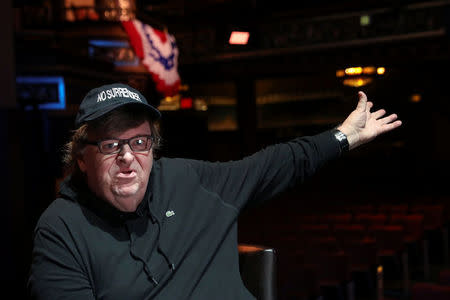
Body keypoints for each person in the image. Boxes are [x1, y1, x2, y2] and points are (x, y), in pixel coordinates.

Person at [27, 82, 401, 299]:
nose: (128, 157)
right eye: (110, 146)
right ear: (81, 158)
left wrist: (344, 136)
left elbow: (276, 163)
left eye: (140, 142)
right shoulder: (61, 227)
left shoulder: (188, 181)